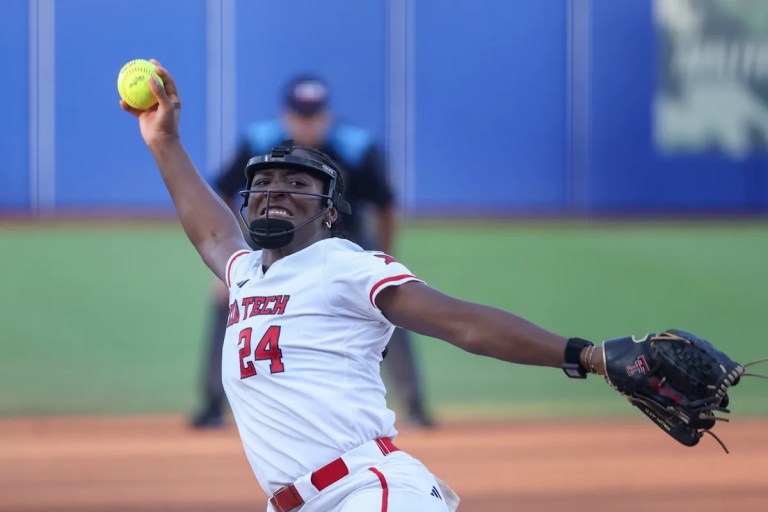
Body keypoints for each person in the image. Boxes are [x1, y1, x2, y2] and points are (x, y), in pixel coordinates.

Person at [121, 60, 609, 512]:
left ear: (329, 212)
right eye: (265, 182)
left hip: (368, 491)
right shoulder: (245, 274)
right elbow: (211, 233)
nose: (276, 190)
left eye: (298, 184)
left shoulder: (343, 265)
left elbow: (463, 323)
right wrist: (164, 141)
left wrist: (585, 355)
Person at [191, 75, 434, 429]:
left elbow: (385, 205)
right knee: (228, 297)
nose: (307, 124)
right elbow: (223, 190)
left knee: (389, 300)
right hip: (275, 241)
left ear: (327, 115)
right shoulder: (261, 143)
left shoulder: (355, 147)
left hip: (346, 241)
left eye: (315, 115)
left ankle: (414, 404)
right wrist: (236, 250)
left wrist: (386, 256)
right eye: (300, 115)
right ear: (285, 115)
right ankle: (212, 403)